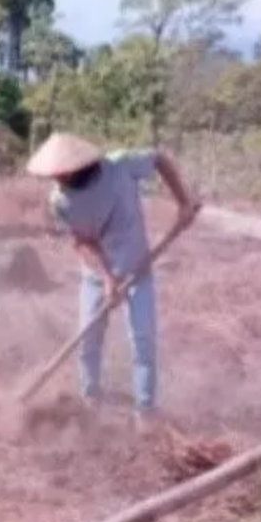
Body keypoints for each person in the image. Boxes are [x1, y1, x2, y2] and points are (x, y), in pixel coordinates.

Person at [25, 132, 201, 428]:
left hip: (138, 270)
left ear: (74, 167)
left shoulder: (119, 165)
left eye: (58, 173)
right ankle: (90, 399)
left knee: (143, 344)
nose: (55, 178)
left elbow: (159, 159)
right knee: (88, 342)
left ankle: (145, 413)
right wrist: (107, 278)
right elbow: (83, 242)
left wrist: (183, 203)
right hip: (96, 276)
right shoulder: (60, 201)